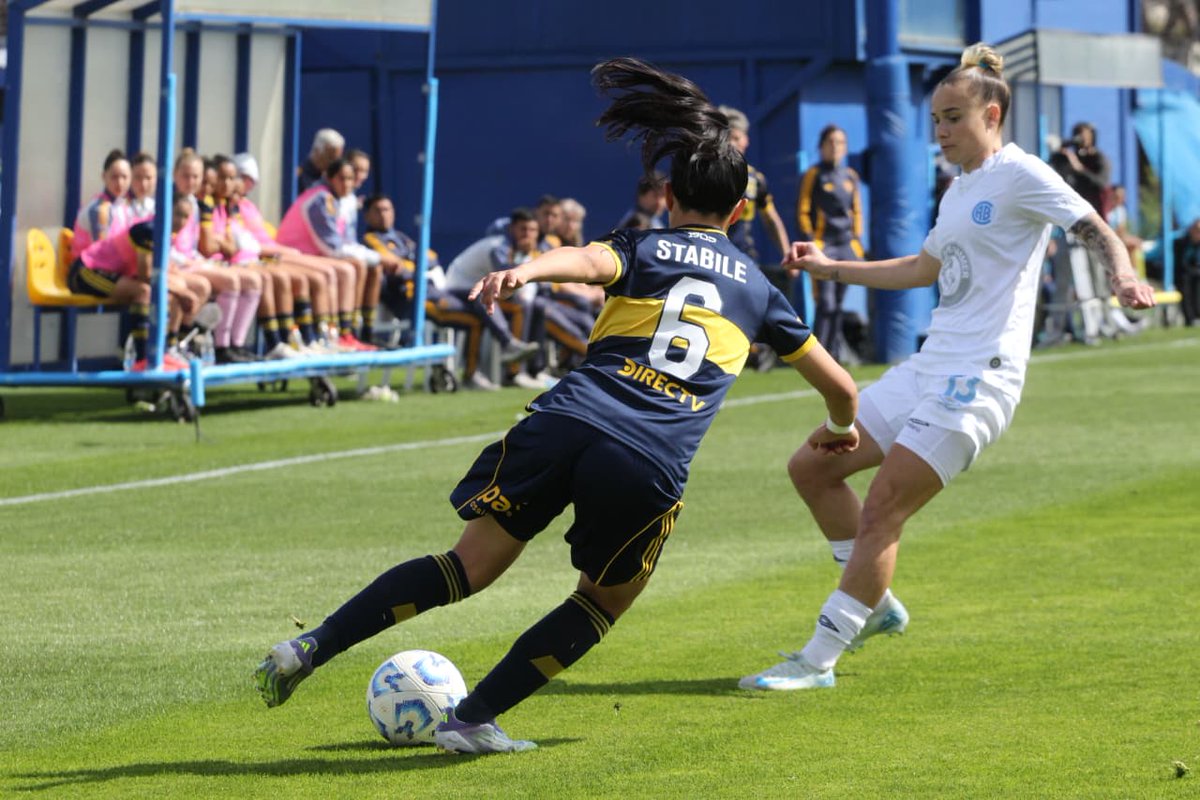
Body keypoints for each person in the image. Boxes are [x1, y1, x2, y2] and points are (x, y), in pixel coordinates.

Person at [254, 56, 859, 754]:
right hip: (647, 458)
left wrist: (523, 271)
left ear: (668, 199)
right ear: (740, 212)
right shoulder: (758, 288)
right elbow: (842, 389)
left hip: (565, 420)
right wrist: (838, 431)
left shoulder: (645, 243)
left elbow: (585, 259)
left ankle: (311, 644)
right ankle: (472, 718)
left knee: (464, 567)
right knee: (601, 600)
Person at [740, 43, 1156, 692]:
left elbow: (1091, 226)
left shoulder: (1022, 175)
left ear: (992, 114)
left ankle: (817, 660)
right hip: (929, 366)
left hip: (979, 378)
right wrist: (829, 266)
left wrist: (1123, 273)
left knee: (883, 506)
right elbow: (919, 269)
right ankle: (873, 604)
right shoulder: (959, 188)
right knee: (813, 467)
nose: (940, 131)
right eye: (935, 118)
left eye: (954, 117)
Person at [66, 193, 209, 372]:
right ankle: (142, 359)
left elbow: (163, 272)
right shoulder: (148, 230)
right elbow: (146, 275)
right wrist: (183, 293)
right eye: (177, 214)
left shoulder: (166, 236)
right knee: (145, 291)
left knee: (174, 286)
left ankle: (168, 350)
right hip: (85, 272)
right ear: (165, 211)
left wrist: (181, 289)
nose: (181, 221)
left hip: (110, 274)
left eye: (186, 216)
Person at [797, 125, 864, 363]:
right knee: (825, 302)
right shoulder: (813, 174)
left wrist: (856, 243)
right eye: (831, 142)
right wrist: (811, 240)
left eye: (840, 142)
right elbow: (803, 211)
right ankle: (817, 355)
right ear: (822, 146)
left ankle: (833, 354)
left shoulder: (851, 176)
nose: (835, 147)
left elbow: (856, 211)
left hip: (845, 246)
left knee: (837, 303)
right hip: (823, 245)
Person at [72, 149, 135, 258]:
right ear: (104, 177)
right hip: (85, 269)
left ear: (130, 179)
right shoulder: (100, 209)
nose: (120, 182)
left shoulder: (123, 205)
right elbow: (103, 254)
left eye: (124, 177)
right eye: (114, 177)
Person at [297, 128, 345, 193]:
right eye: (330, 158)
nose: (334, 164)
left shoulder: (334, 180)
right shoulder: (298, 177)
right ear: (317, 151)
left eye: (337, 160)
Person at [1174, 217, 1200, 325]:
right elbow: (1181, 264)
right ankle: (1190, 318)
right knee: (1186, 282)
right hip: (1181, 273)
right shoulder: (1181, 242)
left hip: (1194, 271)